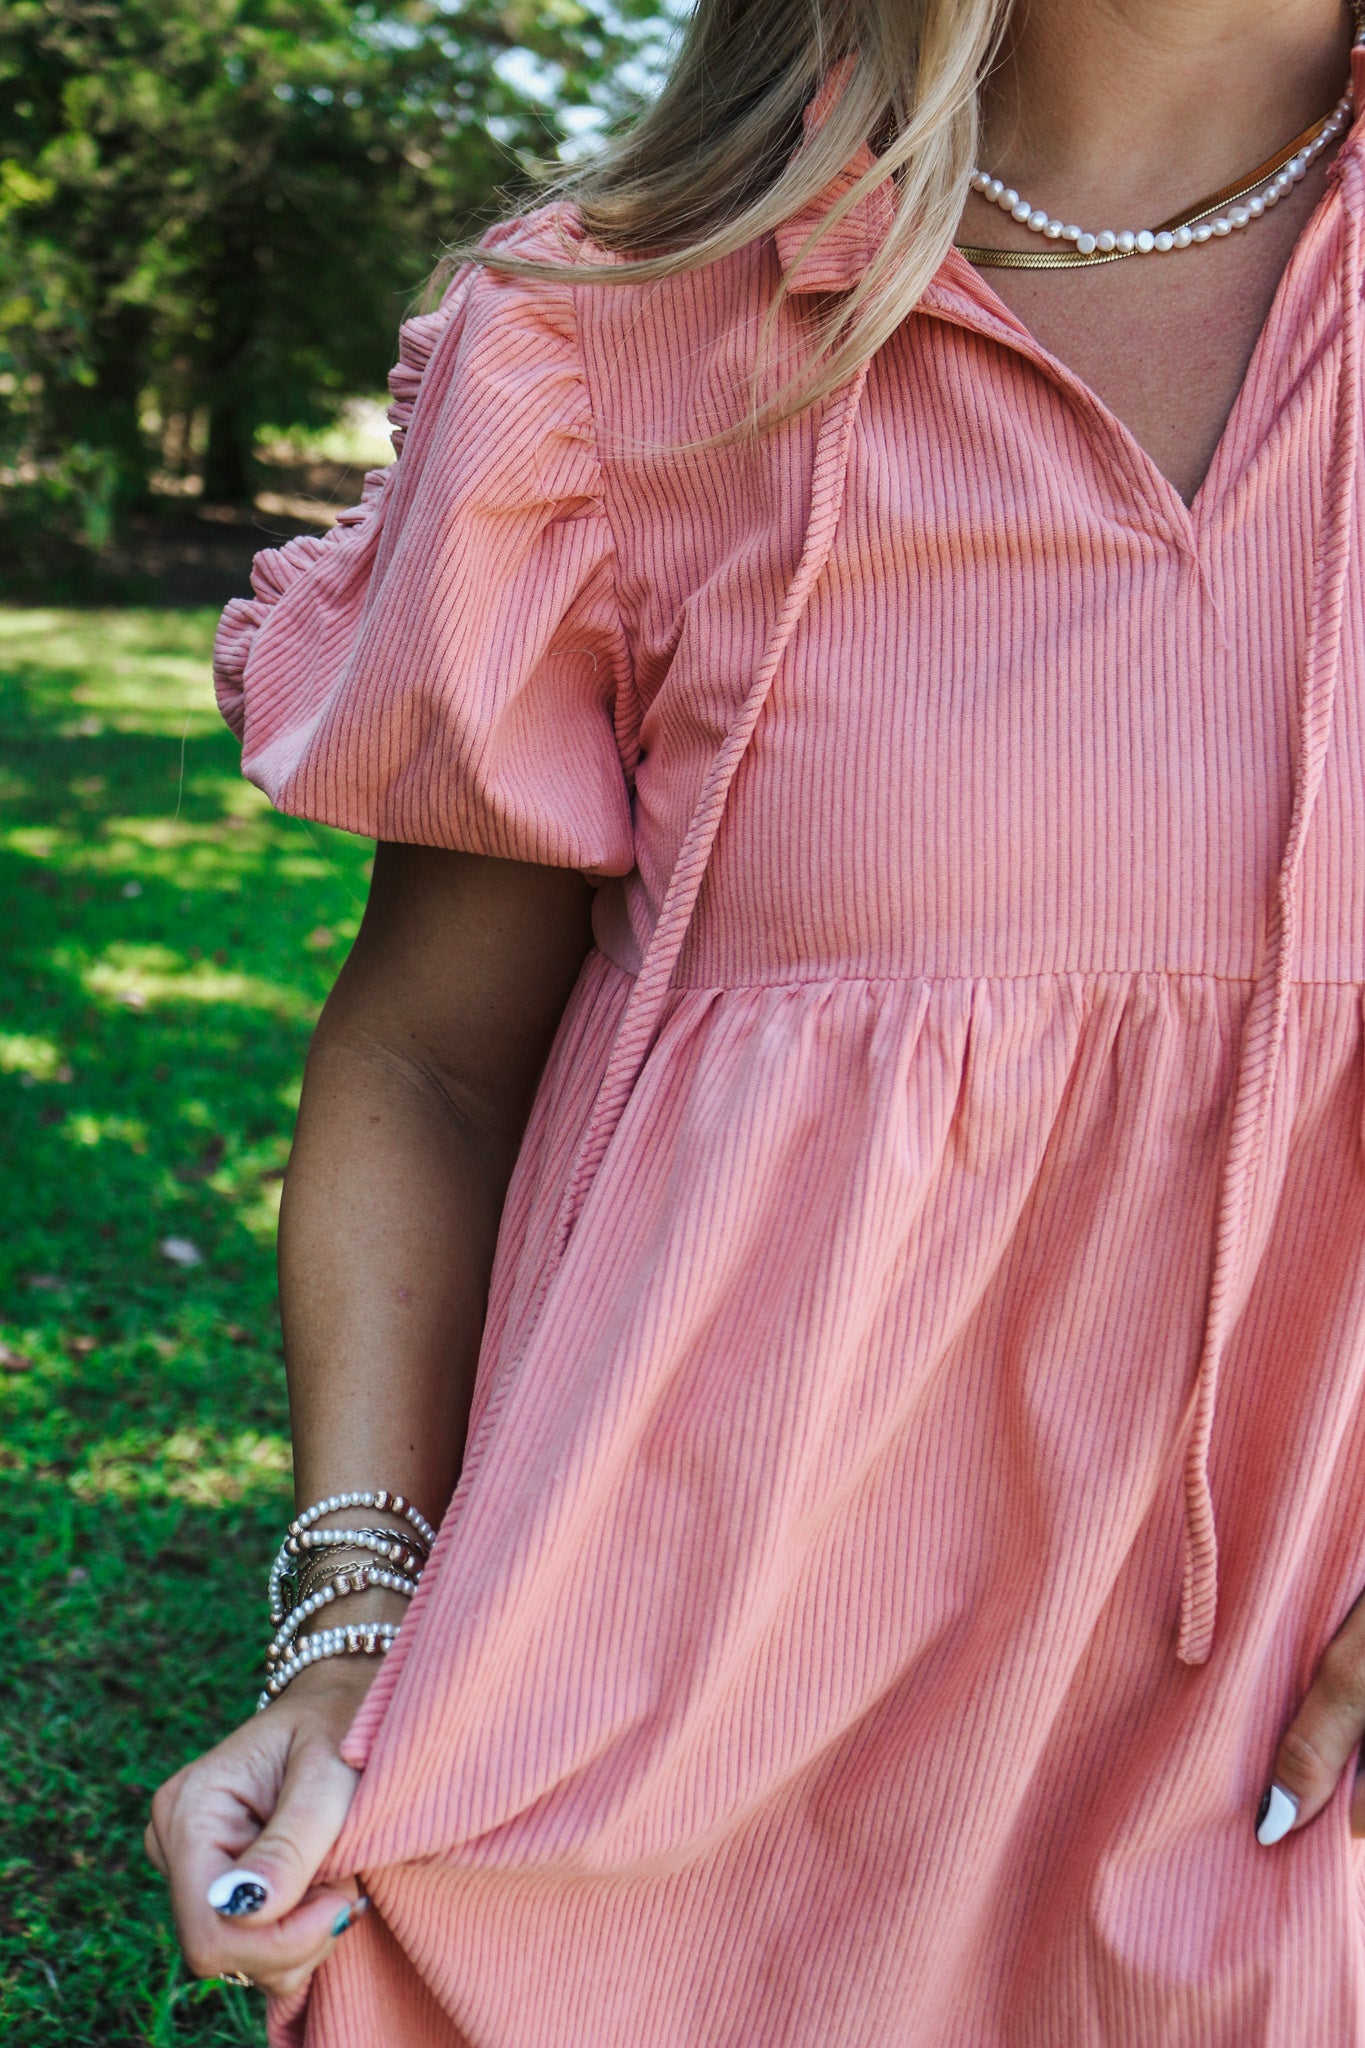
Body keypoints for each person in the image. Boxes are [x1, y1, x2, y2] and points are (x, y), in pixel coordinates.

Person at [146, 0, 1365, 2039]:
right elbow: (429, 1064)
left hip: (1274, 1812)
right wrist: (350, 1620)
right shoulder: (611, 340)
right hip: (650, 1832)